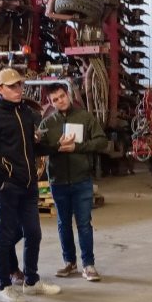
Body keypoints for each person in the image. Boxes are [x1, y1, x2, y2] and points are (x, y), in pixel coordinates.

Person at [0, 68, 59, 302]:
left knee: (33, 232)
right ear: (0, 89)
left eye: (19, 85)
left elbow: (31, 147)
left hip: (29, 184)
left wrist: (56, 146)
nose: (18, 90)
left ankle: (31, 281)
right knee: (6, 235)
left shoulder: (26, 113)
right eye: (12, 86)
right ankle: (4, 286)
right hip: (6, 187)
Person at [40, 83, 108, 281]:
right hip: (58, 181)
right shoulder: (47, 124)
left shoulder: (85, 117)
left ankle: (88, 265)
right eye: (55, 99)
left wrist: (77, 147)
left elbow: (101, 141)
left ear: (68, 95)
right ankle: (69, 262)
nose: (60, 101)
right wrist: (56, 146)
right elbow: (40, 148)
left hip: (81, 179)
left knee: (84, 223)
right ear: (49, 102)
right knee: (63, 223)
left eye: (62, 96)